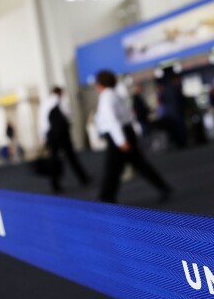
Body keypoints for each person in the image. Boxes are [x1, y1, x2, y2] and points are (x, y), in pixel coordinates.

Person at [94, 70, 172, 205]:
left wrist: (121, 141)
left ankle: (106, 199)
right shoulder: (115, 94)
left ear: (100, 84)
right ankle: (163, 187)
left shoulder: (106, 96)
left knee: (112, 169)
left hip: (118, 137)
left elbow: (112, 121)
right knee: (136, 164)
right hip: (124, 133)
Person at [39, 86, 92, 193]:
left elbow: (42, 122)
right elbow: (68, 117)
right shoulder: (61, 102)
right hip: (63, 135)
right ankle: (83, 178)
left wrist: (44, 137)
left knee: (54, 159)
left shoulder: (45, 104)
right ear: (60, 93)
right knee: (71, 157)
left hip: (52, 136)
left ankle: (55, 184)